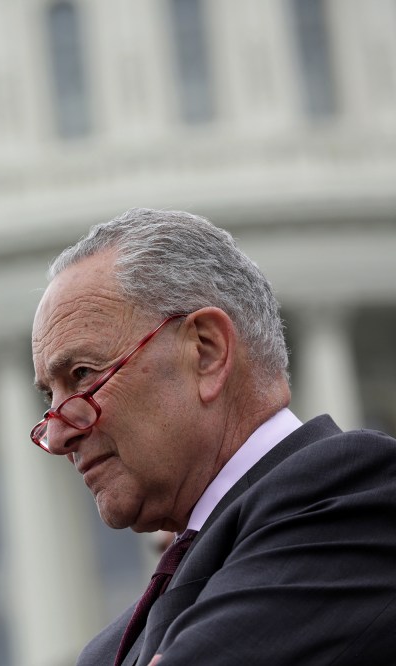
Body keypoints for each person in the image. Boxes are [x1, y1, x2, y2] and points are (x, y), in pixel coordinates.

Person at [29, 208, 396, 665]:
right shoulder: (108, 650)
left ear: (206, 352)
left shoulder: (353, 497)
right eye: (50, 397)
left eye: (83, 375)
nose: (59, 433)